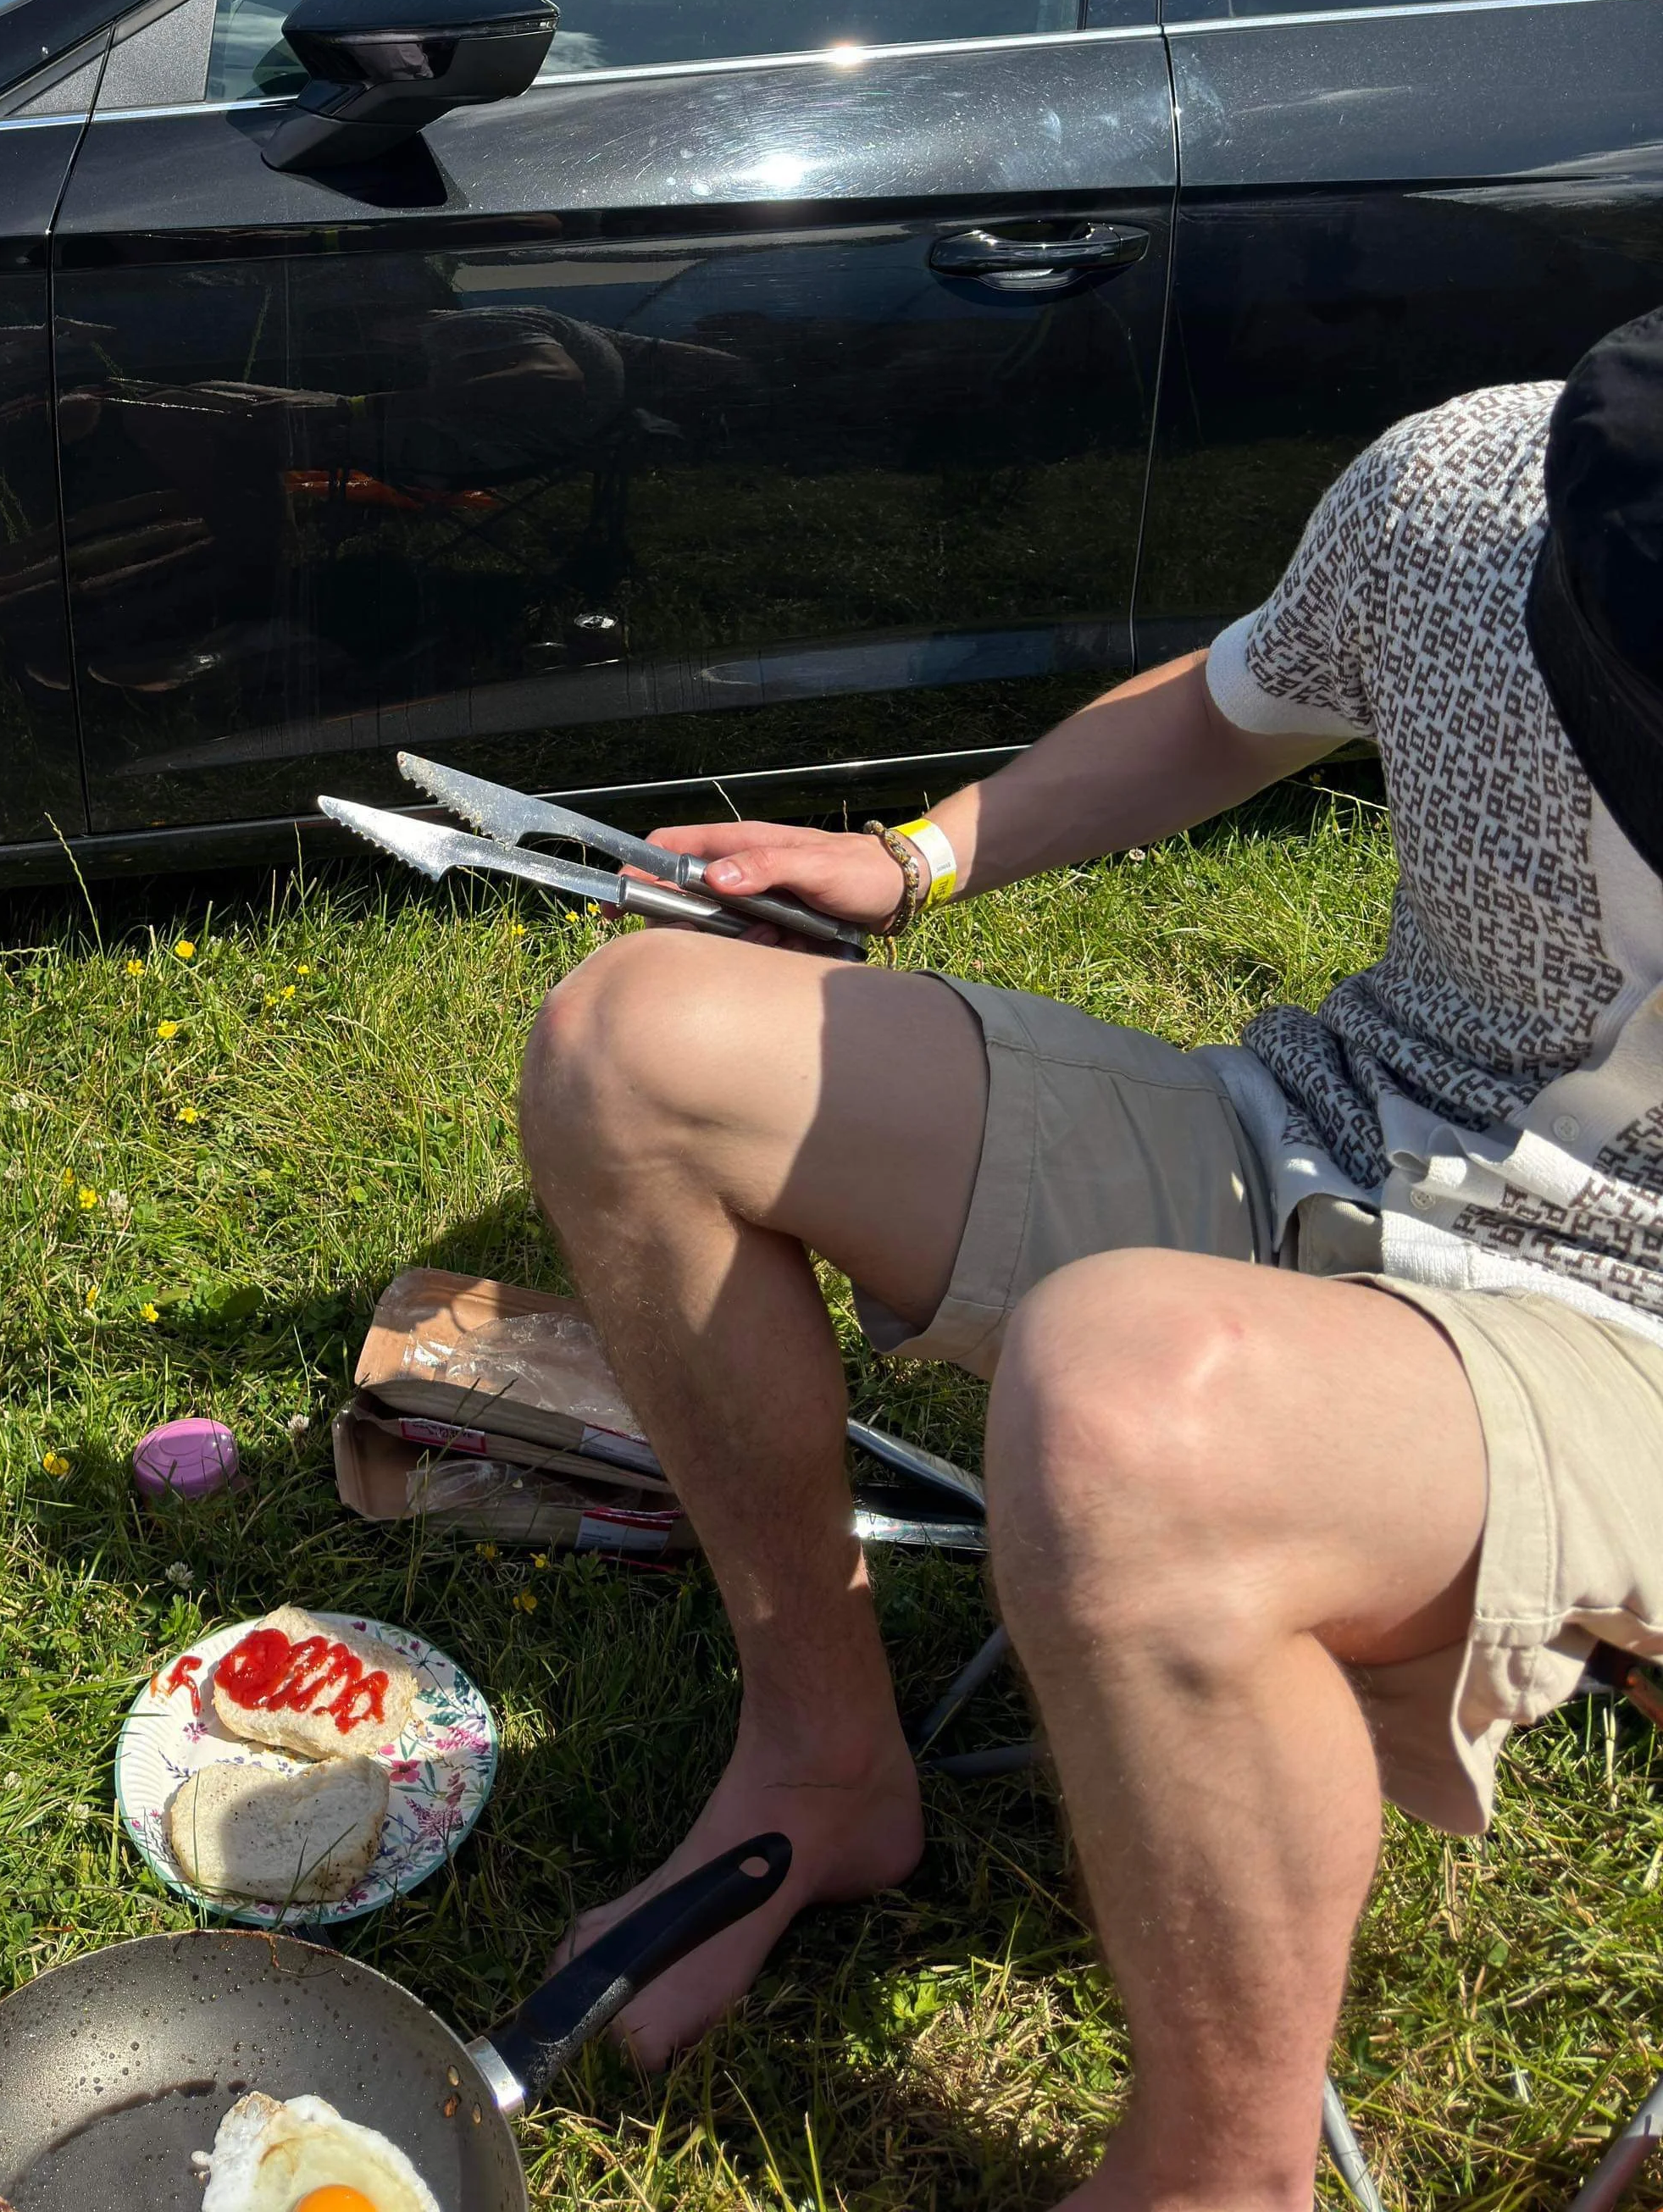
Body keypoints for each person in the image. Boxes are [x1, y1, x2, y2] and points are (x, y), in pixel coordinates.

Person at [525, 305, 1663, 2204]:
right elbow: (1233, 698)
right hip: (1344, 1127)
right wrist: (916, 856)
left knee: (1131, 1407)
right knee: (632, 1049)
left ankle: (1212, 2177)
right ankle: (823, 1762)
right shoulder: (1470, 489)